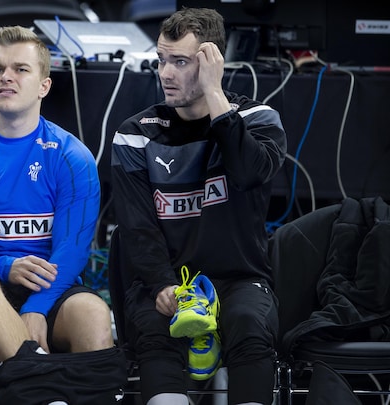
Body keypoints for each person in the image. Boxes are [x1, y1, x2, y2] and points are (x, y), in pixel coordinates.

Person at [0, 26, 124, 403]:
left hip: (47, 293)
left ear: (44, 86)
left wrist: (36, 308)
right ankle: (44, 389)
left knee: (93, 312)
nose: (6, 77)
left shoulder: (72, 156)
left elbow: (72, 252)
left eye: (20, 69)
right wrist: (5, 267)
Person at [111, 7, 287, 405]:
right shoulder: (135, 134)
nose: (165, 73)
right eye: (161, 60)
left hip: (239, 278)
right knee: (156, 332)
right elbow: (138, 227)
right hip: (165, 281)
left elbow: (248, 173)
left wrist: (214, 94)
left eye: (180, 62)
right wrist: (162, 284)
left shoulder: (258, 119)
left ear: (212, 63)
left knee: (250, 324)